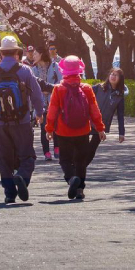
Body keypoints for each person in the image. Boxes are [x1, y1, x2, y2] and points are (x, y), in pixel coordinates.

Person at [0, 36, 45, 203]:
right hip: (22, 121)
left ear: (1, 53)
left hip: (0, 122)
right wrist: (39, 112)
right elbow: (36, 94)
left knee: (4, 157)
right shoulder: (24, 71)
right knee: (27, 155)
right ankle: (22, 176)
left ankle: (9, 193)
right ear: (17, 53)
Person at [45, 56, 106, 200]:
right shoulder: (86, 88)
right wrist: (100, 128)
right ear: (80, 70)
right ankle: (80, 189)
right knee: (80, 161)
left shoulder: (58, 89)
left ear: (63, 71)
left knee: (65, 159)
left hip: (63, 131)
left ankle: (71, 178)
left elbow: (52, 111)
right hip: (83, 130)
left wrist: (49, 129)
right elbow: (94, 110)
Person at [87, 67, 126, 164]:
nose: (113, 76)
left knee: (92, 149)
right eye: (112, 74)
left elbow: (120, 115)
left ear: (120, 79)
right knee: (83, 147)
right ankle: (76, 167)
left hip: (101, 126)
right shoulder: (98, 88)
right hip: (88, 122)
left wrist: (121, 133)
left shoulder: (119, 96)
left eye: (116, 75)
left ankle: (81, 168)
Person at [32, 48, 63, 160]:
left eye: (35, 53)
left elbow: (61, 83)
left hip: (54, 101)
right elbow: (32, 86)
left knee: (56, 125)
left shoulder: (55, 66)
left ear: (41, 54)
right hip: (40, 102)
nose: (33, 56)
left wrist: (49, 89)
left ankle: (57, 147)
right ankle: (46, 152)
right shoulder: (33, 69)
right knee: (44, 126)